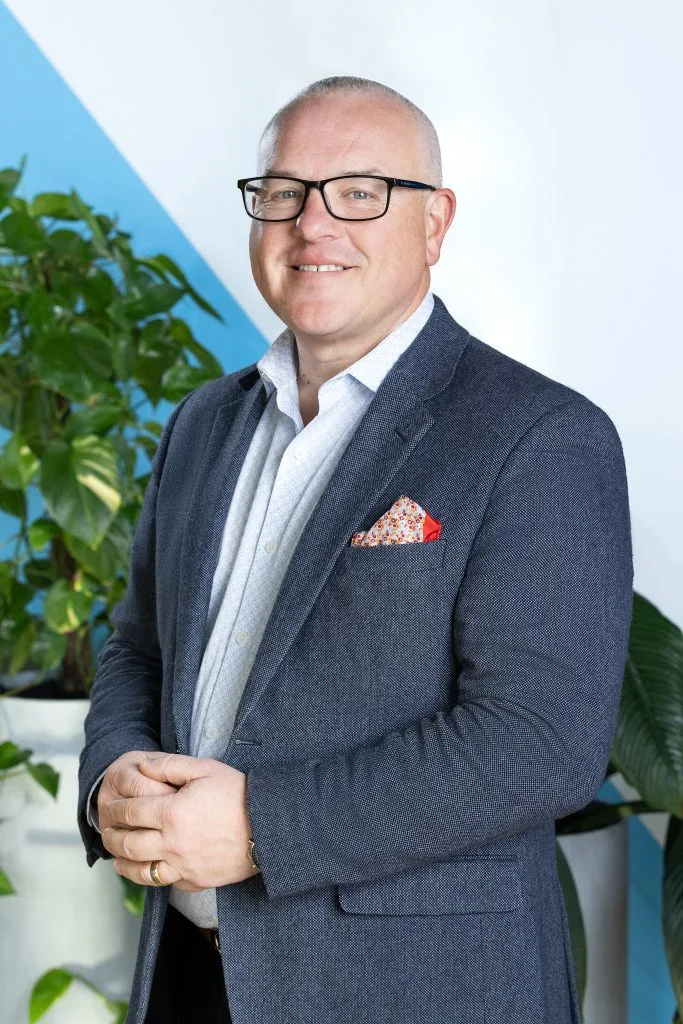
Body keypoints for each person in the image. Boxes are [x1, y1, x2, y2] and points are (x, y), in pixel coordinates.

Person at [78, 75, 634, 1024]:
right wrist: (110, 778)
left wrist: (262, 827)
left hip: (414, 991)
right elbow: (138, 646)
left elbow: (541, 741)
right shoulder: (204, 424)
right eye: (284, 192)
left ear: (435, 221)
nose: (313, 224)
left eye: (360, 191)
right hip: (192, 981)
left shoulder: (537, 435)